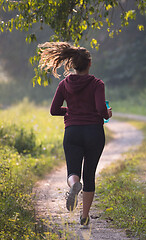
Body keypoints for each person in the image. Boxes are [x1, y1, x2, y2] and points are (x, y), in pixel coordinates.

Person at [38, 42, 112, 226]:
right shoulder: (97, 84)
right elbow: (100, 109)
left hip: (72, 132)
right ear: (89, 64)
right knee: (90, 175)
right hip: (94, 132)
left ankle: (73, 186)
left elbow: (54, 110)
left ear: (72, 65)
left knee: (73, 171)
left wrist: (71, 112)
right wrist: (107, 114)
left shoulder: (64, 84)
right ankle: (84, 217)